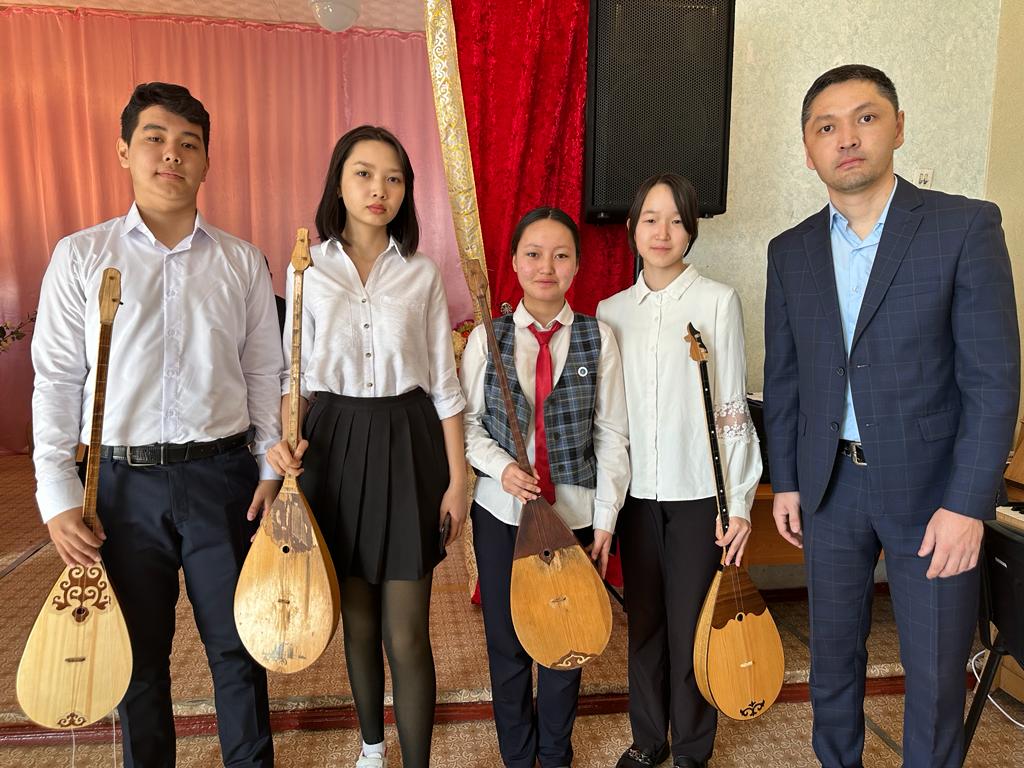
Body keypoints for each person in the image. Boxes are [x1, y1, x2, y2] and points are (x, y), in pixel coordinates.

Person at [763, 64, 1019, 768]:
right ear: (808, 149)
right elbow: (785, 380)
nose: (847, 138)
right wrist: (787, 482)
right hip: (830, 489)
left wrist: (968, 505)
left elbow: (993, 380)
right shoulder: (789, 252)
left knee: (934, 675)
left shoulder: (963, 226)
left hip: (936, 493)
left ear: (898, 127)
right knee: (831, 660)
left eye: (865, 118)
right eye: (827, 127)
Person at [32, 82, 280, 767]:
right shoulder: (81, 256)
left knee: (239, 648)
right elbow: (57, 380)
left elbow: (265, 374)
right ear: (124, 151)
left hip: (223, 480)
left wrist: (268, 467)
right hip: (119, 487)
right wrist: (57, 496)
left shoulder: (241, 261)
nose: (172, 154)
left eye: (188, 144)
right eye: (155, 139)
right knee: (136, 660)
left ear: (206, 162)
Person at [266, 125, 466, 768]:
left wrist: (458, 480)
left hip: (409, 445)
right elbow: (295, 376)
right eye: (364, 173)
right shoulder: (307, 267)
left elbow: (445, 384)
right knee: (356, 620)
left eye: (394, 178)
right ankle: (372, 750)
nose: (379, 189)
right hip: (335, 446)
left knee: (406, 631)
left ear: (406, 191)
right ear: (339, 182)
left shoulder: (421, 273)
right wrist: (283, 444)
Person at [597, 174, 760, 768]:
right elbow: (611, 421)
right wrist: (608, 506)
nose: (662, 232)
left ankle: (692, 749)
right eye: (650, 219)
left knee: (694, 629)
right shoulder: (611, 311)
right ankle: (648, 740)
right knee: (643, 626)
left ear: (691, 230)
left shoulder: (717, 300)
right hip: (639, 498)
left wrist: (737, 502)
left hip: (700, 499)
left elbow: (732, 407)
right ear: (632, 228)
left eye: (675, 221)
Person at [460, 206, 630, 768]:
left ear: (577, 265)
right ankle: (517, 754)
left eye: (560, 255)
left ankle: (555, 753)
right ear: (514, 262)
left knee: (566, 637)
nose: (546, 267)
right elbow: (467, 425)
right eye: (533, 254)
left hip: (573, 512)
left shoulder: (598, 338)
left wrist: (605, 519)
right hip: (501, 514)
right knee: (506, 642)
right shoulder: (486, 339)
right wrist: (500, 467)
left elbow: (611, 433)